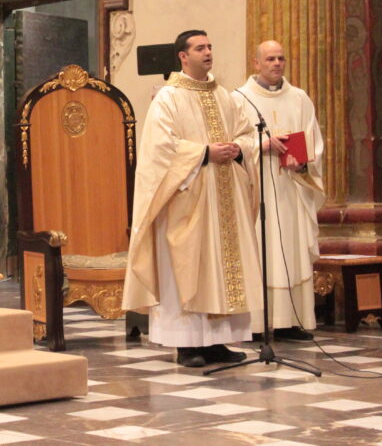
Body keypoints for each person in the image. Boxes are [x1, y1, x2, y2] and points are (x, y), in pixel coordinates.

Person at [123, 30, 263, 367]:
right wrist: (204, 152)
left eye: (210, 46)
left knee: (222, 269)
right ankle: (186, 345)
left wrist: (238, 148)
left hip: (224, 198)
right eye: (200, 48)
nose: (208, 52)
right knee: (188, 267)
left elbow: (246, 133)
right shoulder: (168, 98)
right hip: (188, 199)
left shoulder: (225, 96)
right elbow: (159, 150)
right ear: (183, 57)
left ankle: (217, 343)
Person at [232, 40, 325, 341]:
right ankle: (258, 324)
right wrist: (263, 145)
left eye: (281, 58)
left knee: (292, 249)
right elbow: (233, 144)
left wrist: (303, 163)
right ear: (256, 63)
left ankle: (291, 321)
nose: (276, 64)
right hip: (256, 189)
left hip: (291, 187)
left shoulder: (299, 98)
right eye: (270, 59)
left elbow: (315, 142)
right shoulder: (239, 99)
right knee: (261, 250)